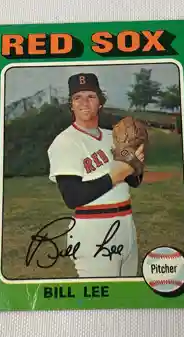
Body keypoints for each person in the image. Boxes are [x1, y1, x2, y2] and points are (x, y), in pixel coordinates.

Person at [47, 72, 144, 278]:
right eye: (77, 97)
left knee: (127, 293)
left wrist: (137, 165)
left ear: (100, 102)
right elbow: (72, 197)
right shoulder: (65, 142)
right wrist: (115, 176)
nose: (84, 102)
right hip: (93, 230)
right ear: (71, 104)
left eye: (90, 96)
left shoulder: (113, 137)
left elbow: (133, 181)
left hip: (126, 225)